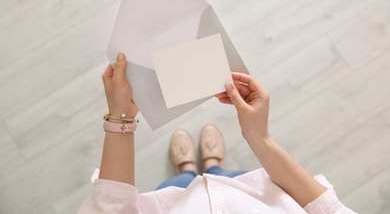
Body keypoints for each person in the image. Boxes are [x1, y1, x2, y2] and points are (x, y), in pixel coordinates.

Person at [78, 54, 356, 213]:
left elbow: (113, 210)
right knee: (226, 178)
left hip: (174, 204)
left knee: (178, 183)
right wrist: (259, 138)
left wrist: (121, 117)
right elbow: (326, 208)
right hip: (255, 194)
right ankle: (214, 167)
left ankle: (186, 170)